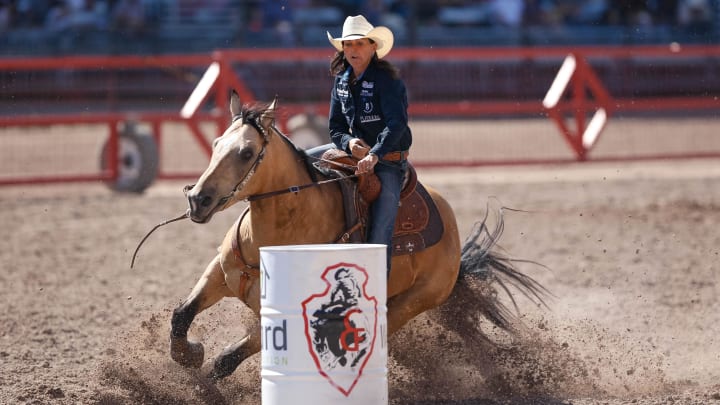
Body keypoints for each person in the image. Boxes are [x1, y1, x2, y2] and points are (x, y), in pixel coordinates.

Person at [315, 14, 412, 277]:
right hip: (356, 154)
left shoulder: (387, 80)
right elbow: (335, 127)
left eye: (359, 44)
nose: (353, 50)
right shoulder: (342, 81)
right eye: (348, 45)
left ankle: (378, 291)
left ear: (373, 47)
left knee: (380, 232)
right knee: (301, 162)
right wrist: (349, 143)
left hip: (389, 162)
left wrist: (374, 154)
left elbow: (397, 123)